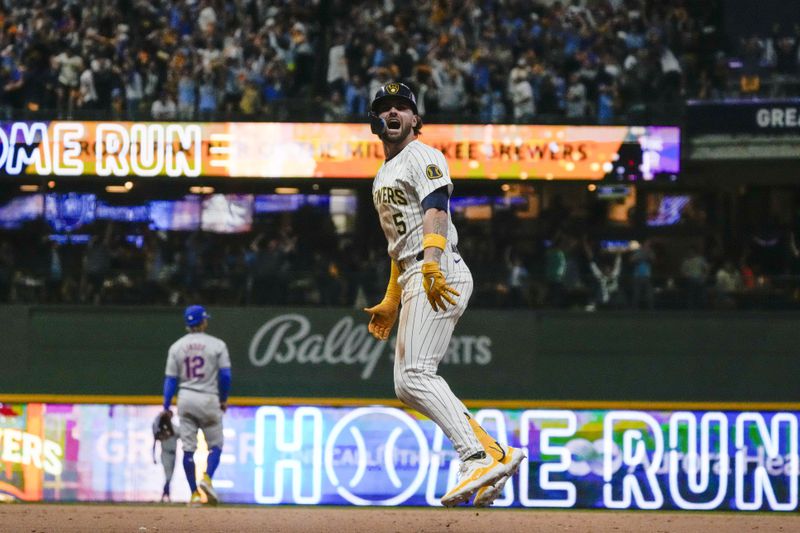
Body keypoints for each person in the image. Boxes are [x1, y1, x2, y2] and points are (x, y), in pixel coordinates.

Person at [362, 82, 524, 508]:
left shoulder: (424, 155)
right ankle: (492, 455)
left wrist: (432, 262)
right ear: (375, 121)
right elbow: (400, 244)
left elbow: (436, 210)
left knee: (414, 376)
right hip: (415, 270)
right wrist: (392, 297)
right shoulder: (382, 173)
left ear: (416, 119)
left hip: (439, 269)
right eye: (385, 108)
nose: (393, 113)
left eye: (402, 107)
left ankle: (478, 456)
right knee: (410, 382)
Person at [161, 305, 232, 507]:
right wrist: (223, 399)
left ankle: (193, 495)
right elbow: (226, 376)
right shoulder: (217, 345)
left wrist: (166, 405)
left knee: (189, 449)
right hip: (209, 398)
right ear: (203, 322)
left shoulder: (176, 347)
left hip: (186, 398)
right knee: (216, 446)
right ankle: (207, 478)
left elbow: (170, 379)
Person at [152, 410, 179, 502]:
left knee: (170, 476)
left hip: (173, 454)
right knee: (168, 475)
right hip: (165, 453)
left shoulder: (174, 427)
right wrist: (159, 416)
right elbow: (154, 429)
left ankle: (165, 495)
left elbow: (181, 433)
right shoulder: (160, 428)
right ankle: (166, 495)